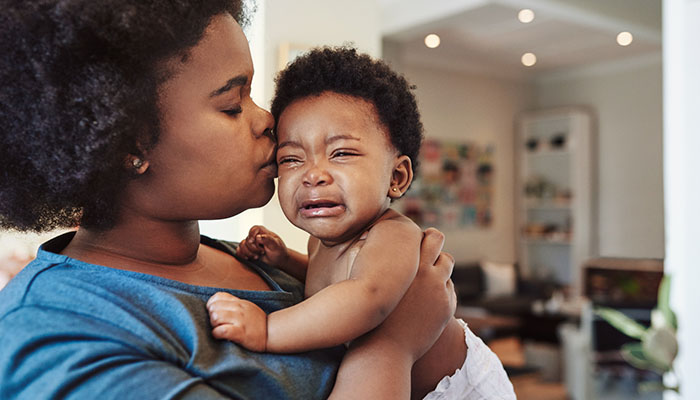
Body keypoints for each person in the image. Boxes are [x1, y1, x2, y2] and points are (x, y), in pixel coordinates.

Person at [0, 1, 457, 399]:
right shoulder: (59, 337)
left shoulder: (246, 257)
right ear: (127, 143)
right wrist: (393, 346)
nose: (269, 122)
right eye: (232, 105)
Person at [206, 47, 516, 399]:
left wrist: (267, 329)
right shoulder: (320, 242)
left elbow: (366, 297)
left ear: (396, 177)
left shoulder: (393, 235)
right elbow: (330, 281)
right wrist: (284, 261)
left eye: (341, 153)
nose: (313, 175)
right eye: (291, 158)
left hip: (461, 389)